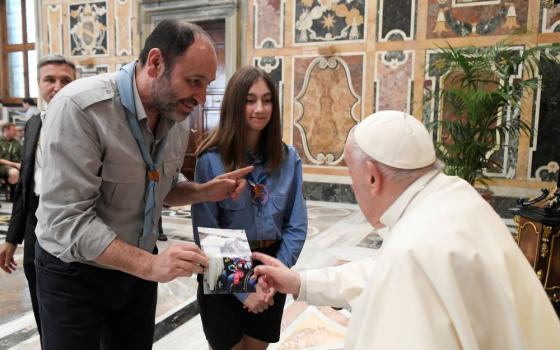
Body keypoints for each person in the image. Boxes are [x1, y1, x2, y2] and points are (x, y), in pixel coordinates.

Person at [253, 110, 560, 349]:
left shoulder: (413, 250)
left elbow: (400, 271)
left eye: (350, 170)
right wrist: (299, 282)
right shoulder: (453, 195)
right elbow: (378, 274)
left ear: (372, 177)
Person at [33, 20, 252, 350]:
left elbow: (159, 185)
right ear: (155, 63)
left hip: (136, 274)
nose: (202, 98)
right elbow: (68, 221)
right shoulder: (80, 108)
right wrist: (151, 264)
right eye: (194, 82)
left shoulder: (175, 116)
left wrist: (204, 191)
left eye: (206, 85)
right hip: (75, 275)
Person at [192, 66, 307, 350]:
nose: (260, 108)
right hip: (225, 262)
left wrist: (273, 273)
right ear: (235, 104)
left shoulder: (288, 158)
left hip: (271, 263)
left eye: (267, 100)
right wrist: (243, 291)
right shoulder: (211, 160)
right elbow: (208, 230)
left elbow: (296, 224)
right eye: (250, 100)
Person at [0, 54, 76, 340]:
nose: (57, 86)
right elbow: (25, 189)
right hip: (35, 234)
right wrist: (11, 238)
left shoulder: (88, 124)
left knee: (71, 321)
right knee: (43, 313)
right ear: (38, 85)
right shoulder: (33, 124)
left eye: (65, 80)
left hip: (73, 234)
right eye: (50, 80)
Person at [0, 122, 23, 194]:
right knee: (14, 172)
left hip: (16, 165)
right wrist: (14, 164)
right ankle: (13, 194)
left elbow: (22, 156)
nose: (15, 132)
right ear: (6, 130)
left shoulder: (16, 142)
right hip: (2, 166)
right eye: (13, 130)